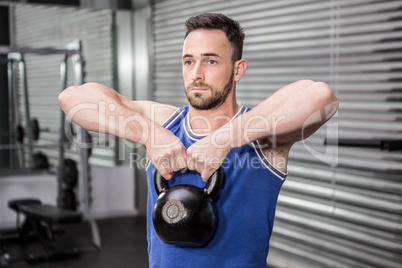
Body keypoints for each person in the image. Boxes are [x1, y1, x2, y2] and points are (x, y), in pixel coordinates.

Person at [59, 12, 338, 268]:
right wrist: (149, 134)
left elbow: (320, 95)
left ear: (238, 70)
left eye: (211, 61)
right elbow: (72, 97)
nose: (196, 74)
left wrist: (225, 139)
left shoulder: (263, 134)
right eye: (189, 61)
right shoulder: (163, 123)